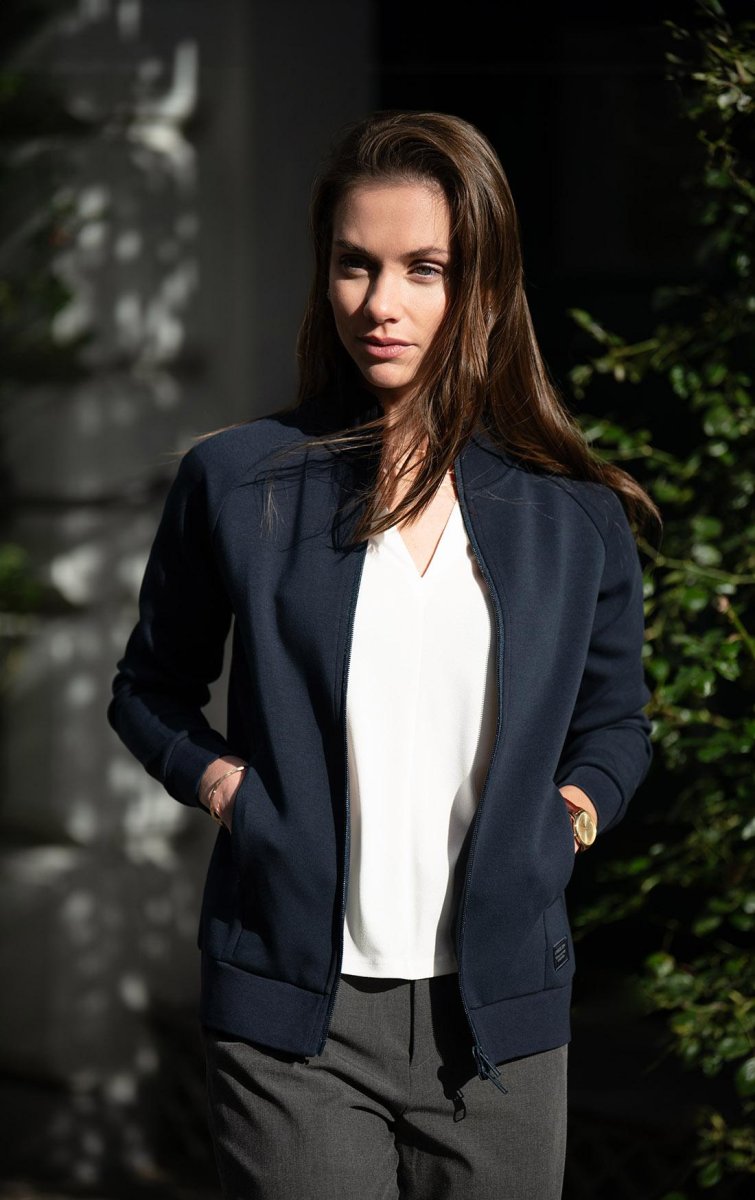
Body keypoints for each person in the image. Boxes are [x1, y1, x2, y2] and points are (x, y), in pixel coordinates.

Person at [107, 110, 659, 1199]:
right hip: (289, 1017)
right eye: (354, 265)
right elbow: (148, 691)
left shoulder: (571, 513)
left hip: (500, 1018)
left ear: (481, 285)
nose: (379, 303)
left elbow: (615, 722)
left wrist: (568, 818)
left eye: (423, 269)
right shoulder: (241, 481)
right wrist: (227, 789)